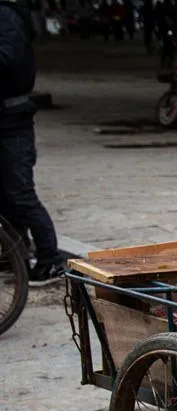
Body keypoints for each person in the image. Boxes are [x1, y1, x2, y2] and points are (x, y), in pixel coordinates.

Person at [0, 0, 63, 285]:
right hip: (6, 119)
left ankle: (50, 260)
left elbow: (7, 58)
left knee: (21, 195)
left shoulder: (6, 15)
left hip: (13, 122)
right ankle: (15, 256)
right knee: (5, 197)